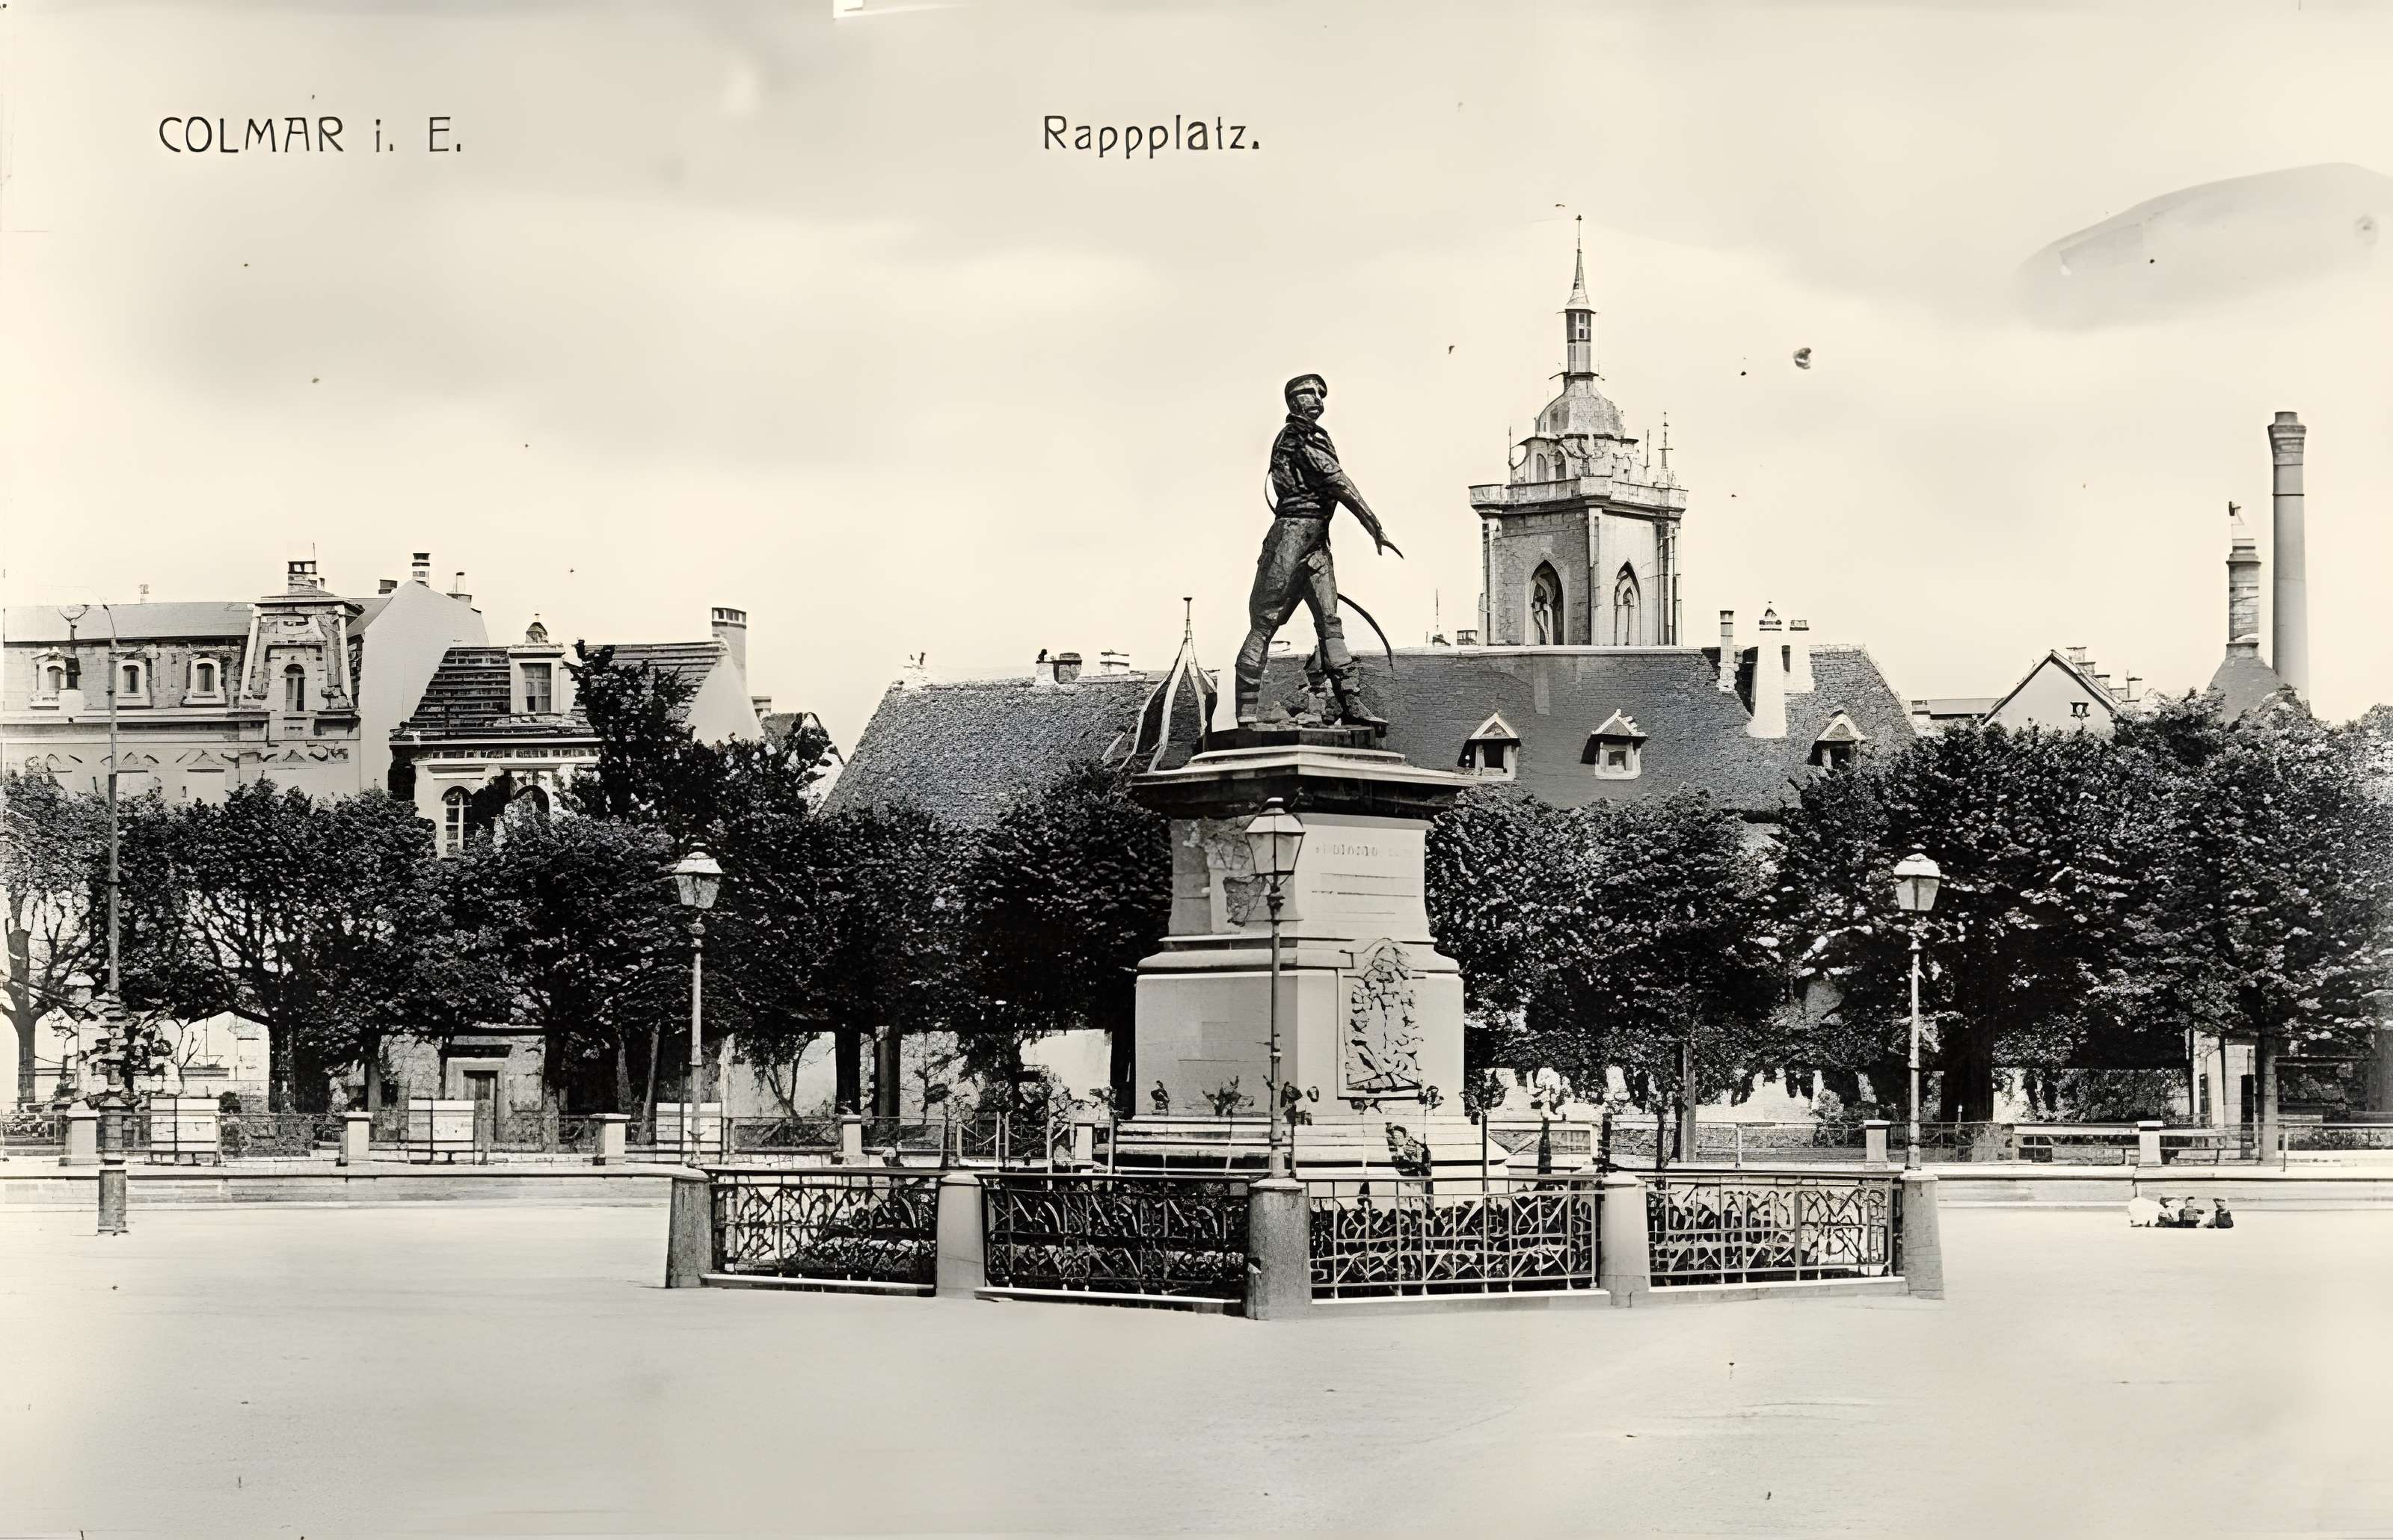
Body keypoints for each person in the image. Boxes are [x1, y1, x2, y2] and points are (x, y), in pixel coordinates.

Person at [1232, 374, 1402, 729]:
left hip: (1315, 544)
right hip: (1290, 540)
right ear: (1293, 400)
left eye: (1320, 395)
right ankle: (1245, 718)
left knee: (1330, 623)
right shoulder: (1298, 437)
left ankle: (1352, 704)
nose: (1318, 401)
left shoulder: (1310, 436)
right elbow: (1335, 480)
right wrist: (1374, 524)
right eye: (1310, 393)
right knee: (1263, 625)